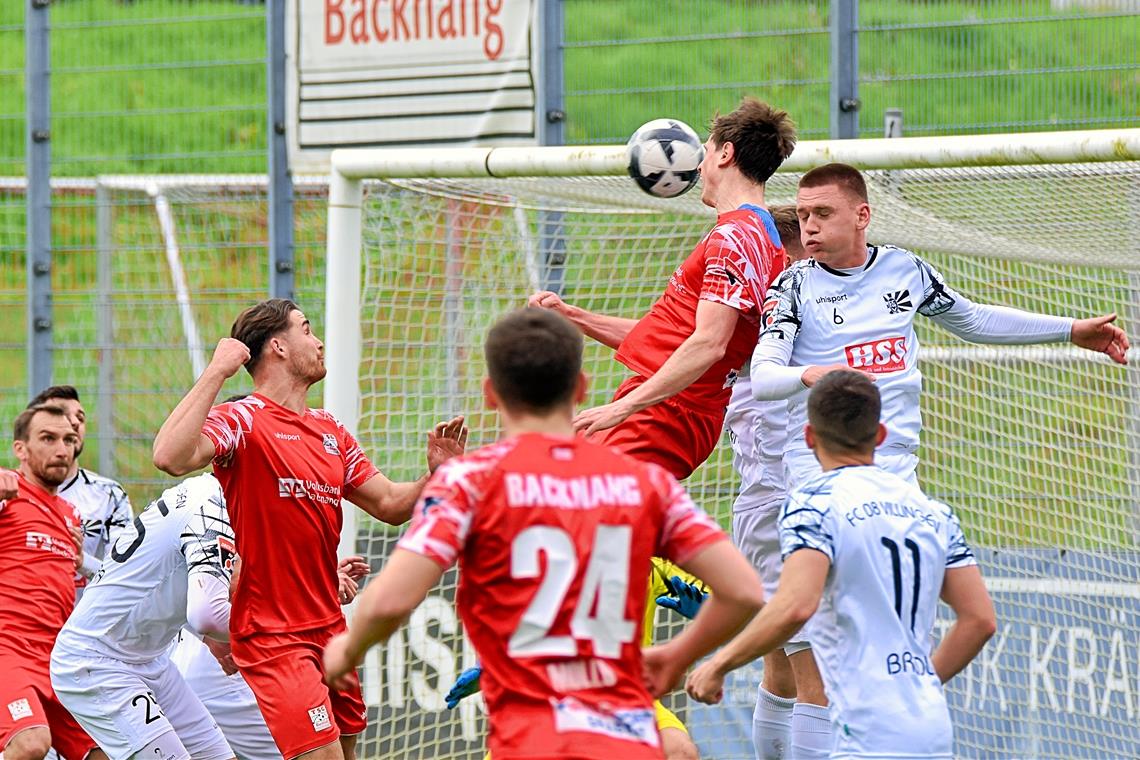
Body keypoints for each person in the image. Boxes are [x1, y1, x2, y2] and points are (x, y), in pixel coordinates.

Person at [749, 162, 1128, 757]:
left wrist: (1069, 329)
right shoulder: (794, 286)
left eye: (823, 213)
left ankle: (899, 720)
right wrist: (811, 372)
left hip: (898, 472)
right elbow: (765, 376)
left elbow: (973, 318)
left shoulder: (905, 271)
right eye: (803, 216)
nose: (810, 226)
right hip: (821, 478)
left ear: (862, 215)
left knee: (887, 643)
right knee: (820, 656)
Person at [322, 308, 764, 760]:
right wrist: (675, 657)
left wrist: (347, 650)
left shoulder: (471, 480)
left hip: (532, 738)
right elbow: (743, 591)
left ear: (491, 393)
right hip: (623, 740)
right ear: (581, 388)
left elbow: (393, 599)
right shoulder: (642, 483)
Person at [151, 298, 466, 760]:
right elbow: (169, 456)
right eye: (307, 328)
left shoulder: (330, 430)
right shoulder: (242, 420)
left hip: (331, 631)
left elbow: (391, 505)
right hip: (273, 636)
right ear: (277, 346)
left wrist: (437, 475)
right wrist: (216, 371)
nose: (318, 341)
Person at [686, 371, 998, 759]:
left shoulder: (813, 504)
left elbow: (796, 606)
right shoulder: (933, 511)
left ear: (809, 437)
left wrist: (718, 663)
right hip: (929, 730)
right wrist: (924, 687)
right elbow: (980, 620)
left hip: (857, 732)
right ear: (880, 435)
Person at [529, 96, 795, 481]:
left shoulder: (734, 237)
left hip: (669, 410)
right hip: (666, 405)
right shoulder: (758, 234)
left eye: (705, 153)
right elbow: (675, 339)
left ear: (726, 154)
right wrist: (572, 316)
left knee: (583, 513)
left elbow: (709, 343)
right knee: (571, 504)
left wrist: (622, 409)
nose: (700, 167)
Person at [50, 473, 238, 760]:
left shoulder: (207, 493)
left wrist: (209, 637)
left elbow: (160, 583)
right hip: (96, 661)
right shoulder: (213, 504)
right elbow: (208, 614)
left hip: (151, 660)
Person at [723, 205, 806, 760]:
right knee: (809, 672)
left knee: (786, 672)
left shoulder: (741, 326)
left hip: (775, 504)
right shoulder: (775, 318)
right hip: (778, 505)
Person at [0, 405, 105, 760]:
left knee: (107, 752)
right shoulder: (7, 493)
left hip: (58, 659)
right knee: (30, 743)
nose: (62, 449)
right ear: (20, 449)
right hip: (9, 650)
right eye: (48, 438)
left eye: (69, 440)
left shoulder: (69, 515)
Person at [27, 386, 132, 596]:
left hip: (84, 625)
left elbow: (125, 574)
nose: (74, 422)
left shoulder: (110, 495)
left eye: (80, 417)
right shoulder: (9, 491)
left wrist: (82, 561)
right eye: (61, 413)